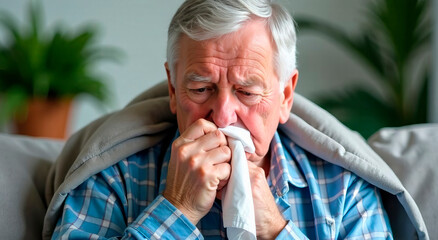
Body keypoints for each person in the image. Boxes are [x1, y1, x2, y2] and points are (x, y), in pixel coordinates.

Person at [45, 0, 401, 239]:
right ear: (172, 88)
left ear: (286, 96)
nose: (224, 116)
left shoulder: (343, 189)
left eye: (247, 92)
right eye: (201, 89)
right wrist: (176, 210)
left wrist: (276, 230)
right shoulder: (114, 178)